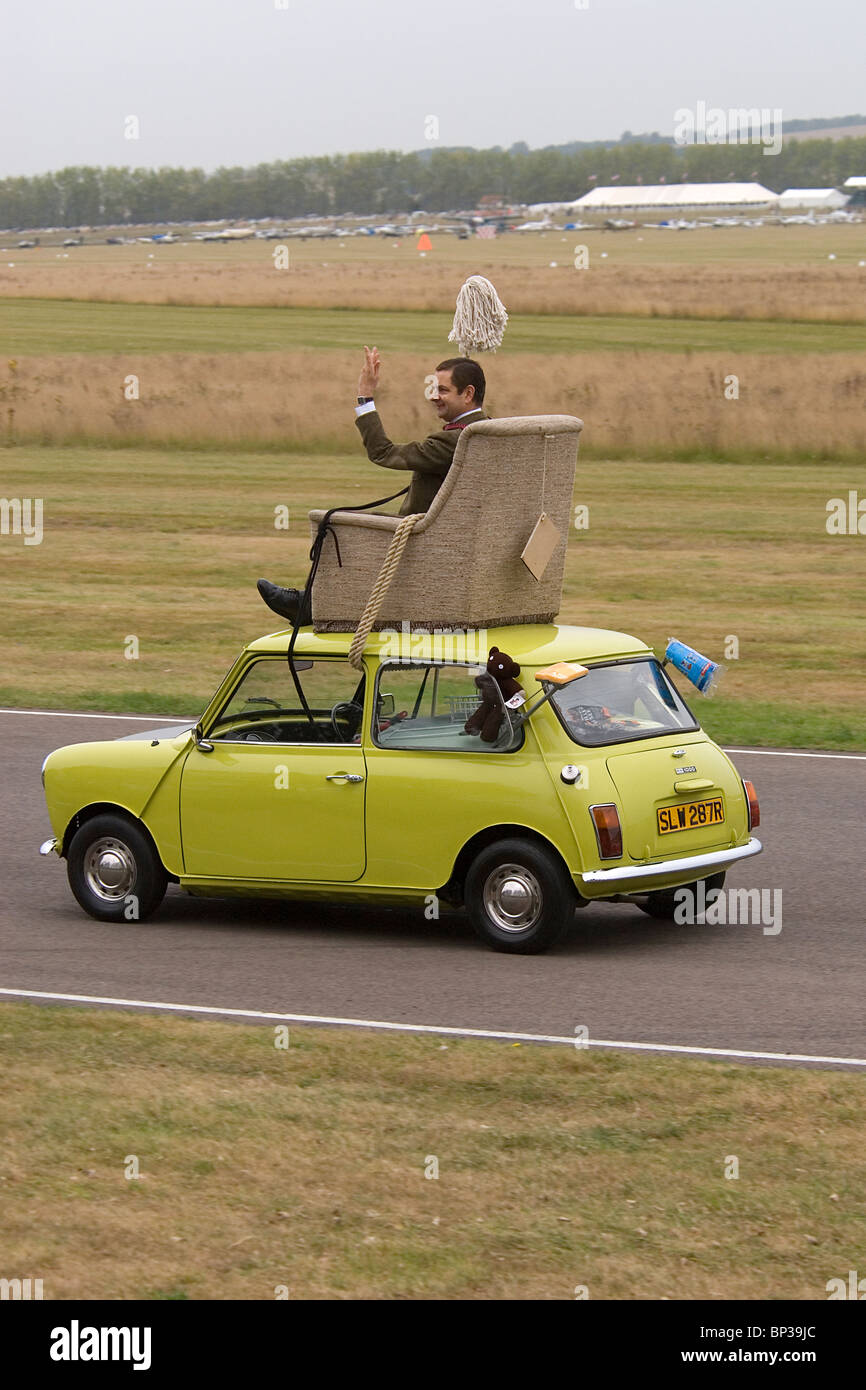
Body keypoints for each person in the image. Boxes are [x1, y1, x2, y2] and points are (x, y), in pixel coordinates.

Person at [257, 349, 488, 624]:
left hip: (422, 534)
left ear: (468, 393)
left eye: (443, 390)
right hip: (455, 533)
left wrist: (365, 397)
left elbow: (383, 452)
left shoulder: (457, 440)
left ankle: (309, 607)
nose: (434, 396)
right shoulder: (488, 431)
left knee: (336, 525)